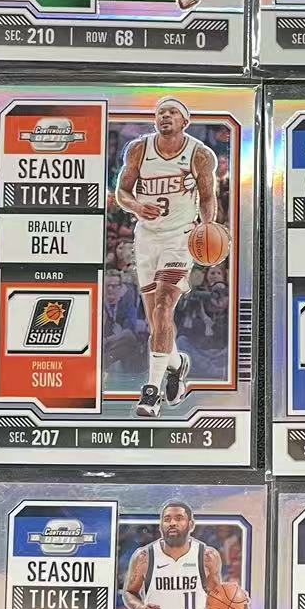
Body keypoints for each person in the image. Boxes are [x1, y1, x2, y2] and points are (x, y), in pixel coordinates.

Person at [114, 98, 218, 418]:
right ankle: (176, 364)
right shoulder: (138, 150)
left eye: (172, 112)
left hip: (179, 237)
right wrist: (135, 206)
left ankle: (152, 390)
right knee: (156, 320)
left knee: (163, 306)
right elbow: (122, 192)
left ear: (185, 121)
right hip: (147, 237)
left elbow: (207, 197)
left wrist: (207, 227)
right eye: (161, 112)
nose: (165, 116)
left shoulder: (199, 154)